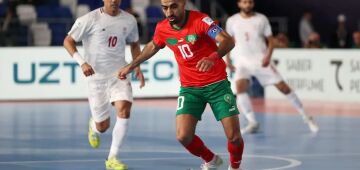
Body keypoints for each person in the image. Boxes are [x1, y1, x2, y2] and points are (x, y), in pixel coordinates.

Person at [118, 0, 244, 169]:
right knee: (183, 136)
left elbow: (228, 41)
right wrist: (131, 65)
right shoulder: (162, 28)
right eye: (165, 8)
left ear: (184, 4)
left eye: (173, 6)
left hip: (217, 84)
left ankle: (235, 167)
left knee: (234, 137)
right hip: (190, 89)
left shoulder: (201, 21)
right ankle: (212, 160)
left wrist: (213, 57)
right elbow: (152, 46)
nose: (169, 12)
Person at [63, 0, 145, 169]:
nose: (114, 1)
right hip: (96, 78)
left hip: (119, 74)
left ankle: (112, 158)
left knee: (124, 110)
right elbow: (68, 41)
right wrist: (82, 62)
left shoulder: (129, 20)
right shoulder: (89, 19)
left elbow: (135, 43)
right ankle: (94, 125)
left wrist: (136, 66)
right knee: (103, 126)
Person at [225, 0, 319, 134]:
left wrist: (268, 56)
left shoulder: (261, 19)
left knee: (284, 88)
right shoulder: (232, 21)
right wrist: (228, 60)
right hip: (241, 61)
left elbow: (270, 41)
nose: (248, 5)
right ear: (239, 4)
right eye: (244, 2)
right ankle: (252, 122)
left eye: (250, 2)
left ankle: (307, 117)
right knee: (240, 89)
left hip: (260, 60)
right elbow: (228, 41)